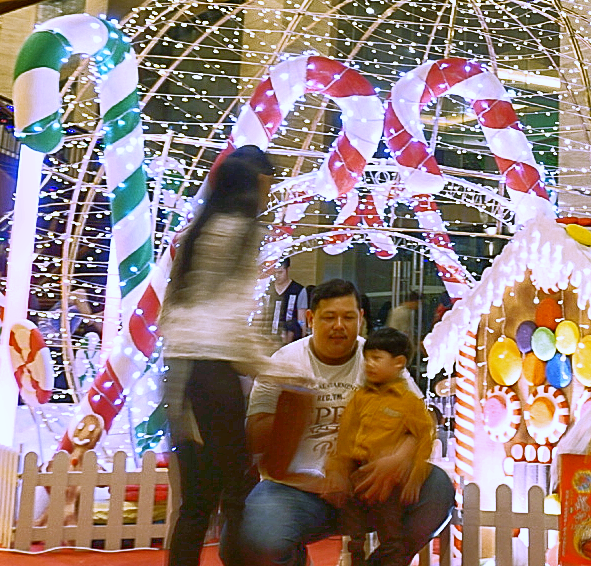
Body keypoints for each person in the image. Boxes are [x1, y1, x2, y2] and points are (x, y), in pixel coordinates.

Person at [238, 278, 453, 566]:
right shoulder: (284, 363)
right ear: (310, 319)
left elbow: (422, 418)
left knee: (437, 489)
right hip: (295, 490)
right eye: (329, 317)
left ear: (361, 319)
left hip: (368, 486)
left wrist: (400, 457)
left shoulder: (378, 360)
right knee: (258, 541)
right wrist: (290, 415)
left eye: (348, 317)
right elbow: (255, 435)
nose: (339, 325)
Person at [161, 145, 274, 566]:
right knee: (239, 490)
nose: (268, 196)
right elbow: (226, 322)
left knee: (197, 500)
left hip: (180, 374)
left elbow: (175, 313)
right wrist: (274, 367)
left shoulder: (196, 232)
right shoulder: (242, 233)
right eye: (267, 185)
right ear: (252, 184)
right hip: (212, 375)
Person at [325, 328, 435, 566]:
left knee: (391, 538)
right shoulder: (359, 397)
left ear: (398, 363)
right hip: (357, 474)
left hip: (389, 483)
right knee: (354, 537)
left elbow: (424, 437)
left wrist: (415, 476)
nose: (369, 364)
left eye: (376, 358)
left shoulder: (409, 402)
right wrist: (338, 470)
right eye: (366, 358)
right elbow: (344, 436)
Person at [264, 258, 309, 340]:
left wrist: (302, 337)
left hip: (288, 338)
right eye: (274, 273)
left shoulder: (298, 290)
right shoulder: (266, 289)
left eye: (280, 272)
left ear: (288, 269)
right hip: (266, 337)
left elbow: (301, 318)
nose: (277, 276)